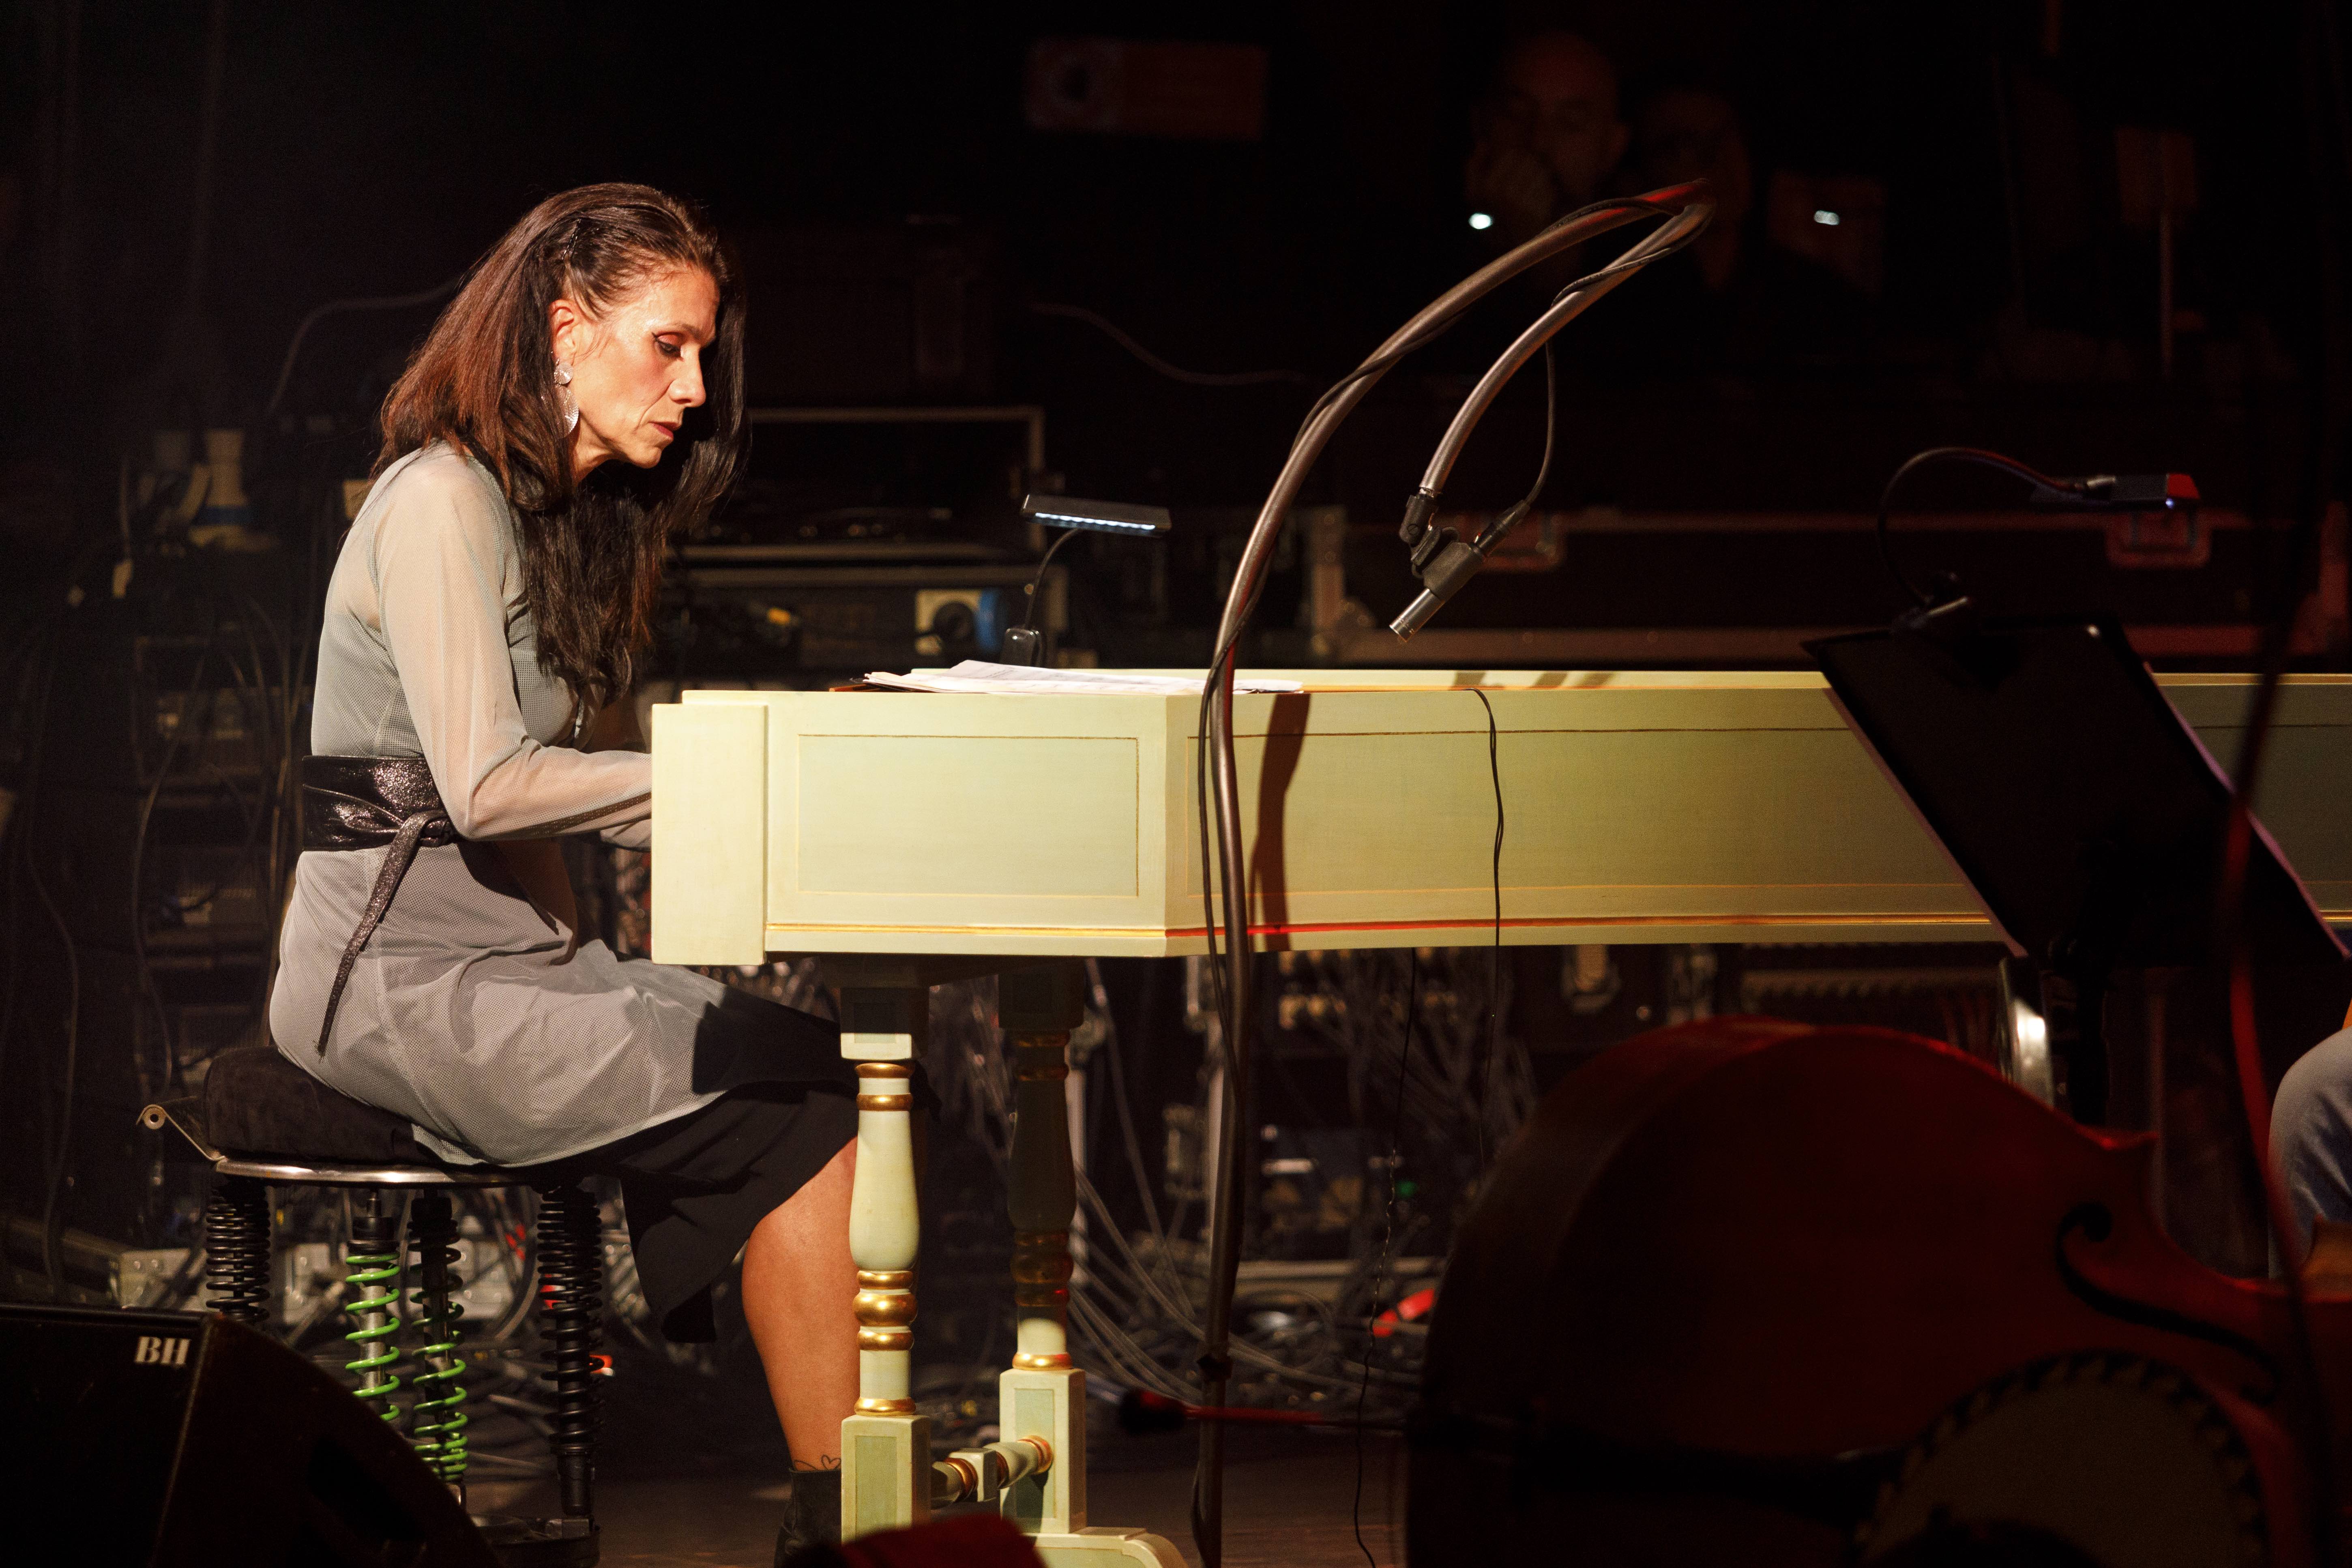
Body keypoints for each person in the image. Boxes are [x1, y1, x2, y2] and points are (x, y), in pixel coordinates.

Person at [266, 184, 862, 1549]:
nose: (695, 388)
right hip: (388, 984)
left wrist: (602, 955)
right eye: (669, 345)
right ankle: (841, 1524)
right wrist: (748, 769)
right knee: (806, 1110)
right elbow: (488, 785)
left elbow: (561, 807)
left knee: (825, 1065)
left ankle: (837, 1510)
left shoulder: (552, 520)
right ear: (565, 331)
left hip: (500, 961)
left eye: (703, 352)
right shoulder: (439, 499)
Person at [1463, 30, 1631, 253]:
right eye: (1516, 114)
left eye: (1571, 122)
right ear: (1480, 123)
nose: (1538, 141)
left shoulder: (1648, 254)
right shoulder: (1426, 242)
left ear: (1614, 145)